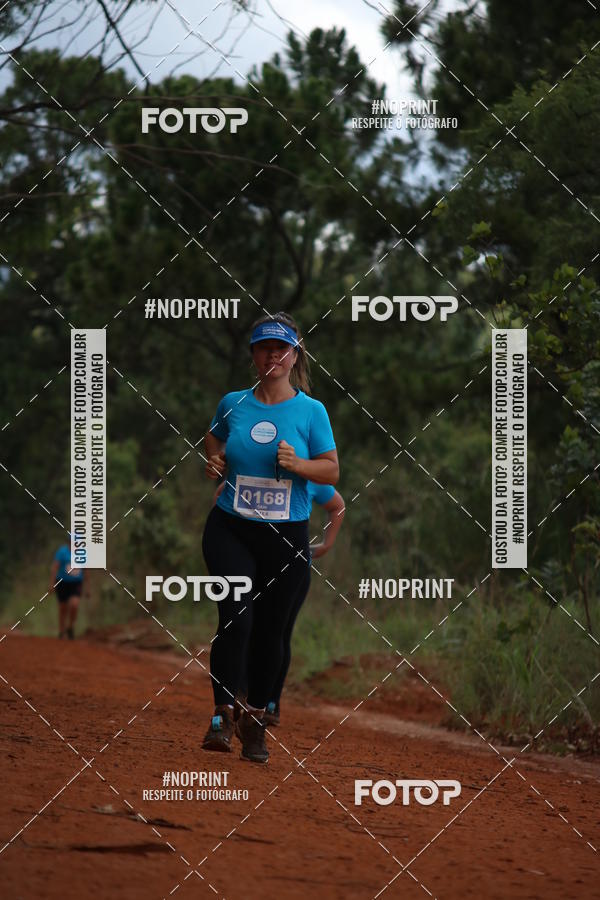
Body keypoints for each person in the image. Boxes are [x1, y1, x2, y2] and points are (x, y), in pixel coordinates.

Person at [201, 311, 339, 764]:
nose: (272, 355)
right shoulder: (234, 403)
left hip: (286, 535)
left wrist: (299, 465)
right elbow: (214, 438)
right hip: (231, 527)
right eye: (264, 347)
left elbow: (331, 469)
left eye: (281, 348)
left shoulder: (311, 411)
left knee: (271, 634)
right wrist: (216, 462)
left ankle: (255, 722)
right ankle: (222, 715)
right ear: (253, 355)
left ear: (295, 355)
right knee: (236, 619)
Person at [211, 480, 346, 727]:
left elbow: (337, 505)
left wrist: (325, 546)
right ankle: (239, 696)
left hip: (292, 570)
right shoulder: (251, 468)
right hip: (252, 564)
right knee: (244, 625)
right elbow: (222, 493)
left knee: (278, 633)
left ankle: (271, 702)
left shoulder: (307, 474)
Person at [49, 542, 85, 639]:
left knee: (74, 605)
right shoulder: (62, 552)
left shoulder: (82, 552)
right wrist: (52, 584)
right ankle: (61, 630)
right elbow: (55, 567)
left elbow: (86, 569)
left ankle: (70, 627)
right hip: (62, 582)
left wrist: (87, 586)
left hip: (76, 583)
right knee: (63, 607)